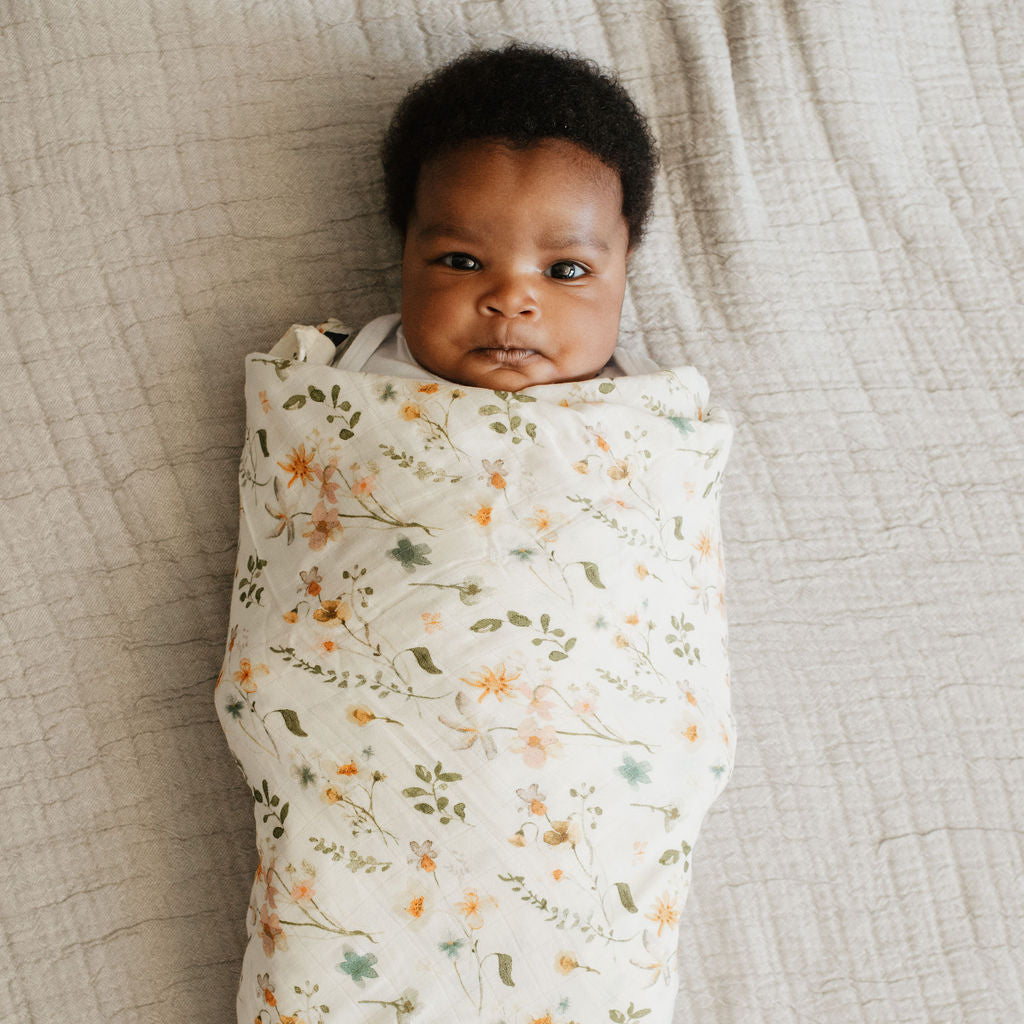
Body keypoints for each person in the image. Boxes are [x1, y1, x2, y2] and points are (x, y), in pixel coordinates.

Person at [272, 41, 661, 388]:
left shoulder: (655, 411)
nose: (509, 301)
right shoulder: (335, 374)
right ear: (405, 250)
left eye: (566, 271)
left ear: (624, 265)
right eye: (463, 262)